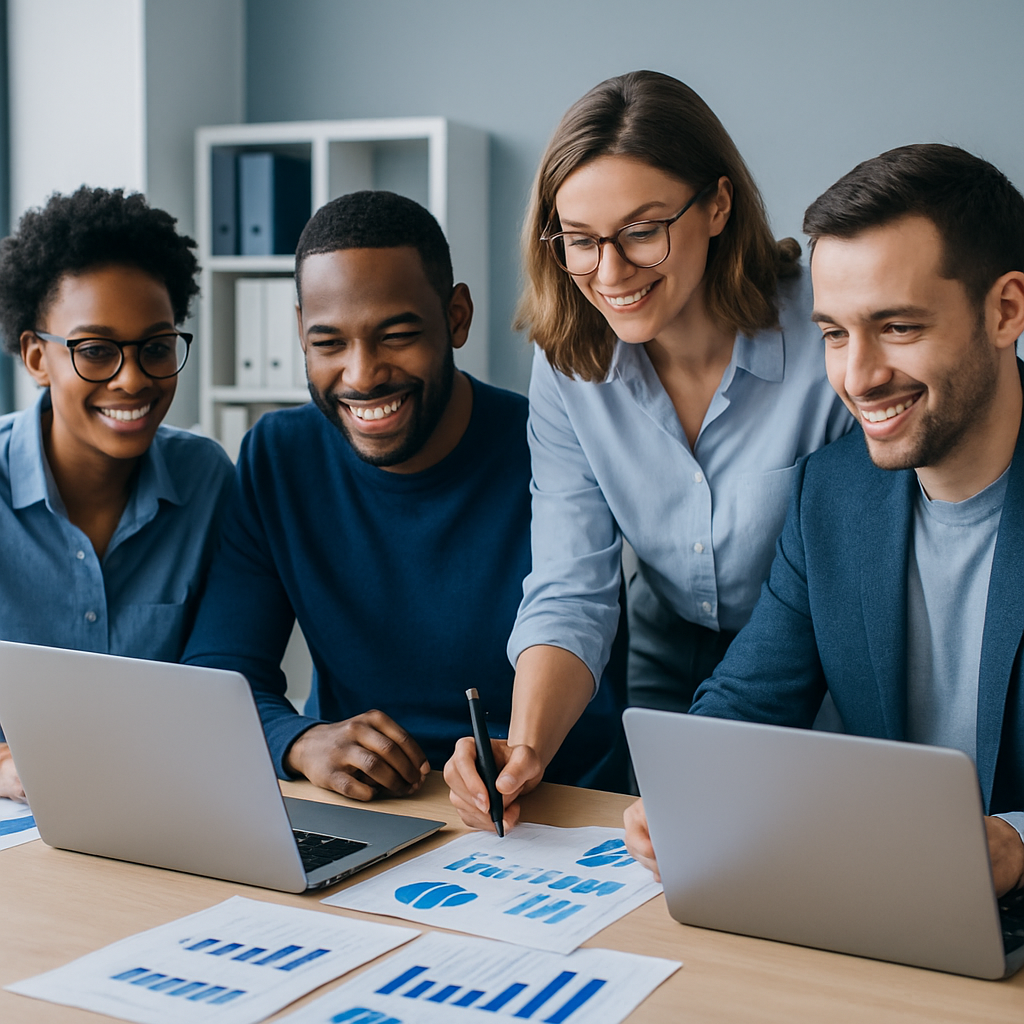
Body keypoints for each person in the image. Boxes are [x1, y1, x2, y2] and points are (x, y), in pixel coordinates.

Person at [445, 70, 850, 831]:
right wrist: (524, 745)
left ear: (719, 205)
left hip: (827, 657)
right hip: (669, 646)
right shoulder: (568, 361)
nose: (610, 271)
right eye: (580, 240)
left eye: (642, 231)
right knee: (669, 868)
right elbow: (572, 585)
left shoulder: (825, 329)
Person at [624, 144, 1024, 897]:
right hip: (887, 904)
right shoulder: (830, 495)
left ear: (1005, 310)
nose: (859, 376)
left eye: (898, 327)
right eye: (835, 333)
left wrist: (1019, 841)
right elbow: (748, 700)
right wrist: (690, 785)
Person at [183, 190, 626, 801]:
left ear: (457, 317)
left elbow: (582, 633)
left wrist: (525, 761)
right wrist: (299, 740)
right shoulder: (278, 457)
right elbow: (218, 674)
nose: (362, 375)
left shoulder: (554, 451)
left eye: (395, 334)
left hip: (551, 801)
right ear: (300, 335)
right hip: (369, 806)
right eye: (329, 342)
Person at [0, 186, 234, 800]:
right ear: (35, 357)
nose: (132, 379)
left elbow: (223, 680)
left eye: (156, 348)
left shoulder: (206, 481)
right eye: (96, 351)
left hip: (156, 805)